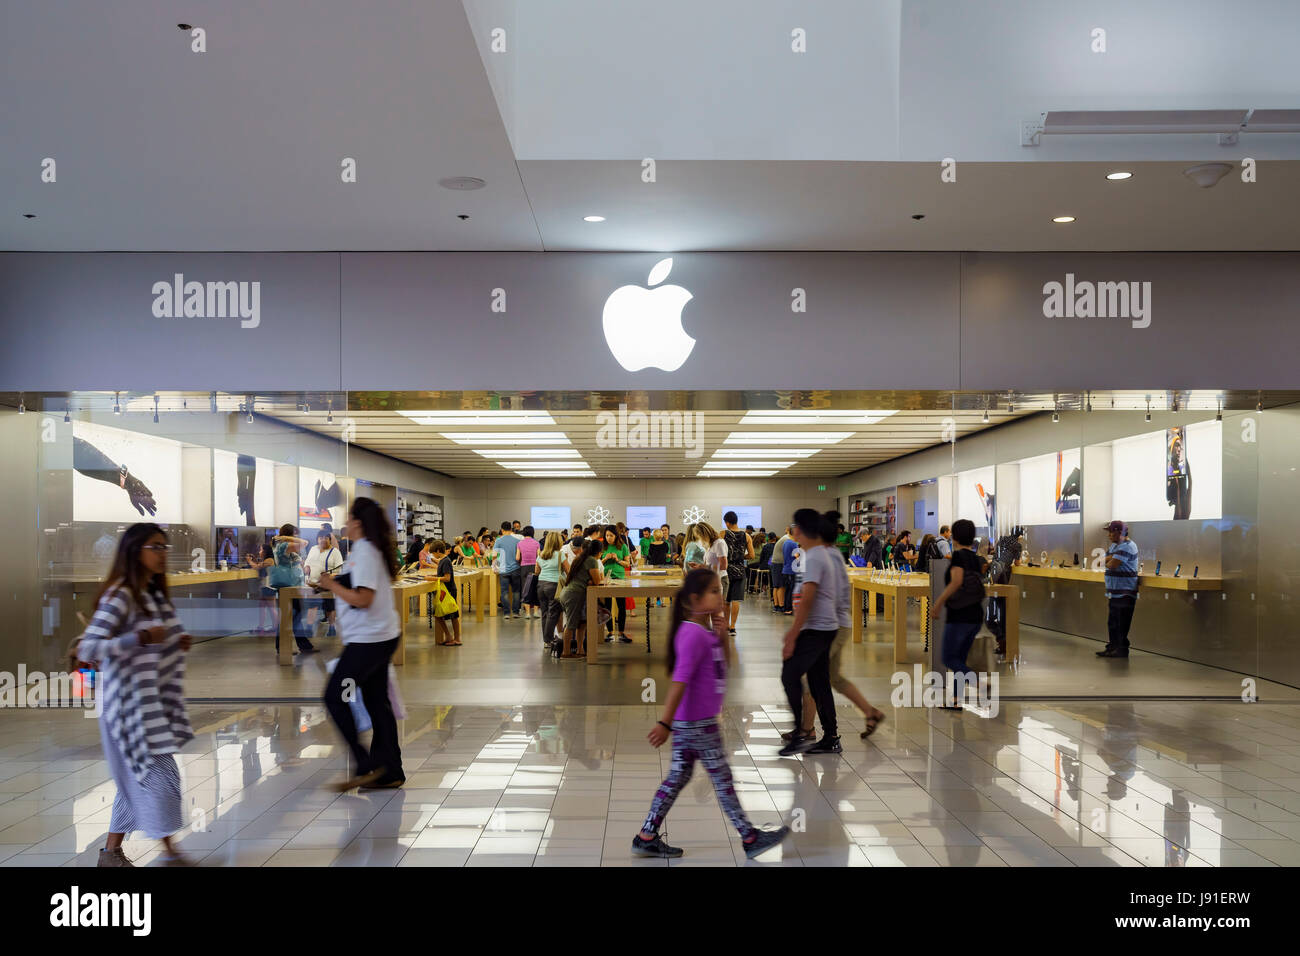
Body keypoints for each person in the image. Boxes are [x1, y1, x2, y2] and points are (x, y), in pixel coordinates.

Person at [633, 568, 791, 860]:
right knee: (722, 779)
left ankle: (647, 833)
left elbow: (724, 666)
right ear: (695, 599)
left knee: (678, 777)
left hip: (694, 720)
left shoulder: (703, 632)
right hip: (697, 722)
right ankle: (750, 836)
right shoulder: (691, 635)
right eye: (714, 592)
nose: (721, 596)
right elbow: (680, 681)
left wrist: (720, 635)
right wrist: (665, 722)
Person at [75, 523, 195, 867]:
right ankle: (171, 852)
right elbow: (89, 647)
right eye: (154, 547)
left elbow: (157, 639)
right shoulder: (122, 595)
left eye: (164, 547)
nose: (162, 554)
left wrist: (173, 641)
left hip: (148, 705)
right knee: (159, 775)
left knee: (136, 777)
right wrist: (139, 639)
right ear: (134, 551)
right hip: (125, 707)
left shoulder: (151, 595)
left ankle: (110, 853)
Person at [780, 510, 888, 746]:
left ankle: (808, 729)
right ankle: (870, 712)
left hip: (834, 626)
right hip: (837, 623)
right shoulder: (829, 554)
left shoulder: (821, 556)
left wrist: (797, 631)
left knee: (813, 678)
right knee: (833, 678)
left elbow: (814, 596)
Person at [319, 497, 405, 790]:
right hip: (378, 638)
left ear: (356, 522)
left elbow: (364, 599)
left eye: (347, 519)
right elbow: (359, 583)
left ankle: (364, 763)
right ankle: (389, 770)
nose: (344, 524)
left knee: (335, 695)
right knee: (376, 701)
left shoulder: (366, 550)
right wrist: (336, 581)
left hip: (369, 643)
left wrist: (332, 587)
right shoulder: (366, 549)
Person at [777, 510, 851, 757]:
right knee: (819, 683)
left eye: (795, 526)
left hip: (816, 629)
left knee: (790, 674)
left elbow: (808, 598)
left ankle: (800, 733)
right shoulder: (816, 554)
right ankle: (830, 736)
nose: (793, 530)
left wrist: (793, 634)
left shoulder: (816, 557)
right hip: (822, 627)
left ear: (803, 529)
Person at [929, 519, 988, 710]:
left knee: (948, 658)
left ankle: (976, 680)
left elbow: (956, 582)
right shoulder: (975, 558)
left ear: (954, 535)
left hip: (959, 616)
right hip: (975, 615)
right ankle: (955, 700)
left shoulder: (958, 557)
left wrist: (938, 603)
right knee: (960, 659)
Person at [266, 524, 315, 655]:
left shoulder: (282, 546)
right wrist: (285, 538)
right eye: (295, 534)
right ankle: (298, 646)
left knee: (292, 616)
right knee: (292, 616)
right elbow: (305, 543)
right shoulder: (284, 545)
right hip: (288, 587)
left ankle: (290, 646)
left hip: (292, 586)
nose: (297, 537)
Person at [558, 536, 605, 659]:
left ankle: (580, 650)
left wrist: (589, 581)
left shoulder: (580, 558)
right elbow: (597, 580)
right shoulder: (592, 560)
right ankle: (566, 652)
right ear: (599, 552)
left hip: (568, 593)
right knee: (571, 624)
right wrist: (590, 581)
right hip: (574, 595)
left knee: (581, 624)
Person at [1098, 520, 1139, 658]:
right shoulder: (1116, 546)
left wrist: (1109, 559)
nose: (1109, 535)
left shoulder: (1128, 547)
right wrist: (1110, 558)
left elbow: (1112, 565)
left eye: (1111, 532)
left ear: (1119, 532)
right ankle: (1112, 647)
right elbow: (1100, 561)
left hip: (1124, 592)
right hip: (1114, 593)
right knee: (1113, 623)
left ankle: (1121, 649)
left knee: (1121, 623)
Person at [988, 525, 1025, 656]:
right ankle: (1004, 638)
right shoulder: (1018, 545)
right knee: (1002, 604)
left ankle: (1001, 637)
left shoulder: (1003, 538)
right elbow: (1017, 563)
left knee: (994, 600)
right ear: (1020, 535)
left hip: (994, 570)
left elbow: (995, 553)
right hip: (1004, 574)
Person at [304, 530, 344, 640]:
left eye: (325, 537)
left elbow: (339, 570)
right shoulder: (313, 549)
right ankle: (309, 628)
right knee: (312, 605)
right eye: (320, 537)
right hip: (313, 583)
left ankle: (332, 628)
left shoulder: (335, 552)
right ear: (317, 539)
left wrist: (330, 575)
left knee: (329, 606)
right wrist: (306, 567)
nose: (323, 539)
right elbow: (307, 562)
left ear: (329, 539)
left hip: (329, 584)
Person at [722, 511, 753, 636]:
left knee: (726, 600)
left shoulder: (723, 534)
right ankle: (733, 627)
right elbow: (752, 555)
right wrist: (740, 557)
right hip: (740, 569)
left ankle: (725, 625)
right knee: (736, 599)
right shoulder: (747, 536)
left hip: (726, 569)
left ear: (727, 522)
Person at [600, 525, 632, 642]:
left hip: (620, 579)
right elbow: (597, 563)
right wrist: (605, 559)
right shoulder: (603, 546)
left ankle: (622, 633)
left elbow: (627, 564)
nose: (608, 538)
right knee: (607, 607)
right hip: (606, 580)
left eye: (611, 535)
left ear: (616, 536)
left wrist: (617, 560)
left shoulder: (622, 546)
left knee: (621, 606)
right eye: (607, 535)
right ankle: (610, 633)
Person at [428, 540, 462, 647]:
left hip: (449, 591)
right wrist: (435, 576)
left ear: (438, 551)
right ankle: (449, 636)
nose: (433, 555)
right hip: (444, 591)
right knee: (438, 615)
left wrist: (432, 578)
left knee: (453, 615)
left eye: (433, 553)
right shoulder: (443, 561)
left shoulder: (446, 561)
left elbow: (447, 578)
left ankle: (456, 638)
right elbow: (443, 574)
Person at [536, 531, 564, 646]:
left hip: (541, 585)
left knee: (544, 613)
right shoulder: (560, 554)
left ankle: (546, 640)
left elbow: (537, 571)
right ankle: (548, 639)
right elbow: (568, 570)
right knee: (553, 613)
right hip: (554, 586)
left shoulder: (541, 554)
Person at [495, 521, 522, 619]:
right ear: (511, 529)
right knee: (516, 592)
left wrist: (495, 567)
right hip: (516, 569)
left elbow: (494, 556)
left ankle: (506, 613)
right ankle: (515, 612)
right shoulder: (517, 540)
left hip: (503, 570)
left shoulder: (498, 540)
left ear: (502, 530)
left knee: (504, 592)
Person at [517, 525, 541, 619]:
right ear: (532, 533)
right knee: (535, 589)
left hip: (524, 567)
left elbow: (517, 557)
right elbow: (539, 557)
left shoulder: (520, 543)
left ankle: (527, 613)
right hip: (534, 567)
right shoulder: (536, 543)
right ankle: (535, 612)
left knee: (525, 589)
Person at [779, 525, 799, 615]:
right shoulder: (793, 543)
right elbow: (797, 556)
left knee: (788, 590)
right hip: (792, 570)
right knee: (791, 590)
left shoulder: (786, 542)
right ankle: (789, 608)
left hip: (786, 569)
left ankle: (786, 608)